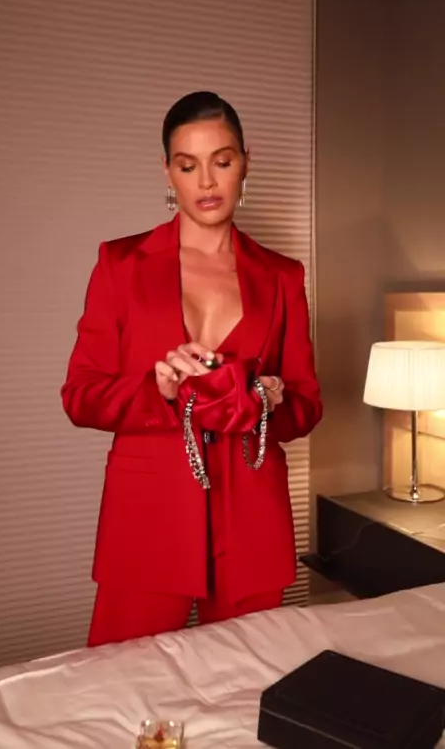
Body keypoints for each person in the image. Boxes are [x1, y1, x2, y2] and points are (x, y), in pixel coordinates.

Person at [61, 91, 322, 646]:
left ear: (245, 162)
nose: (206, 181)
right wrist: (155, 388)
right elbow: (80, 395)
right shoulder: (121, 264)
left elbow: (307, 405)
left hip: (252, 518)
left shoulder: (283, 276)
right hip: (148, 517)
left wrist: (270, 400)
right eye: (188, 165)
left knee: (247, 681)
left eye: (221, 161)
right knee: (124, 682)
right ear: (168, 172)